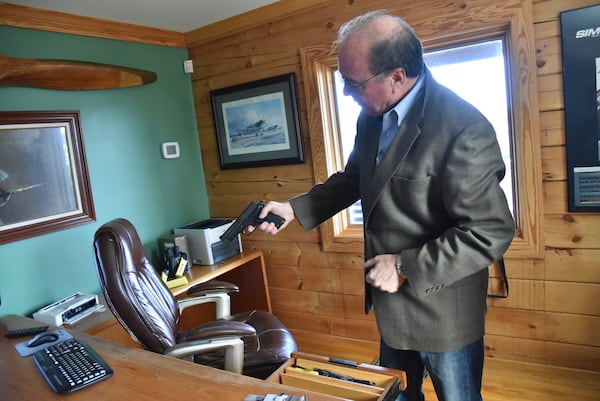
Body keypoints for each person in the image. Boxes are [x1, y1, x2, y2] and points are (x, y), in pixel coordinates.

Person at [249, 10, 515, 401]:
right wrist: (295, 208)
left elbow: (489, 230)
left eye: (353, 83)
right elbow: (356, 178)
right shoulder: (370, 117)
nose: (346, 93)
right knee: (396, 396)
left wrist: (405, 265)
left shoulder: (463, 128)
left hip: (445, 314)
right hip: (391, 306)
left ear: (396, 76)